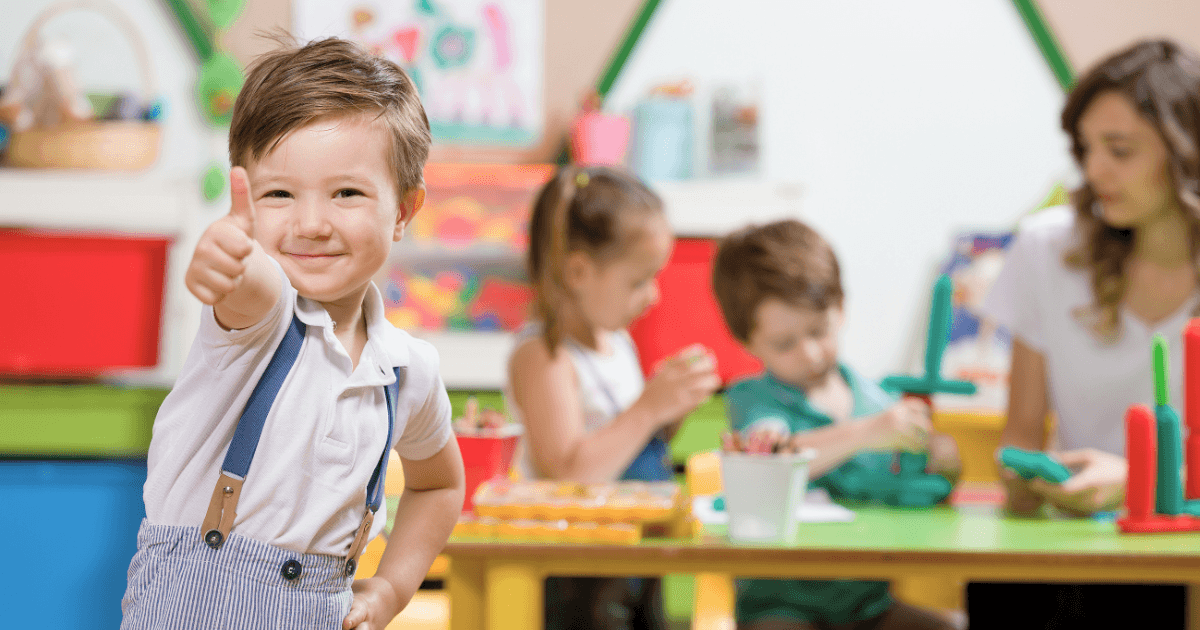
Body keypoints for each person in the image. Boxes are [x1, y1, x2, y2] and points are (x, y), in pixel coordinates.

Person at [120, 38, 464, 630]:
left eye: (347, 193)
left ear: (404, 211)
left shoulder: (409, 371)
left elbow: (439, 485)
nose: (310, 224)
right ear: (247, 202)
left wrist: (392, 589)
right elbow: (249, 283)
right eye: (278, 194)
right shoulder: (259, 321)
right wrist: (224, 257)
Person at [967, 39, 1200, 628]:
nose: (1095, 170)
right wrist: (1027, 477)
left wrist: (1141, 483)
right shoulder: (1047, 250)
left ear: (1187, 150)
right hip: (1086, 553)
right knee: (1003, 594)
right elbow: (1018, 438)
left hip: (1186, 553)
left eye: (1119, 149)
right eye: (1086, 148)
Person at [712, 219, 960, 630]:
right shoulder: (755, 401)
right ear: (747, 343)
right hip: (781, 607)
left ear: (840, 309)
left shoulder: (877, 401)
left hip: (868, 606)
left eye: (818, 331)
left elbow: (921, 494)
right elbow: (765, 461)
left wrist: (945, 463)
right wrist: (865, 434)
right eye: (785, 343)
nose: (809, 353)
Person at [505, 165, 722, 629]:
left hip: (635, 547)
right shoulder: (544, 355)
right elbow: (569, 473)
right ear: (578, 271)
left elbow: (627, 445)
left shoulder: (616, 344)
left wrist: (668, 413)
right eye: (638, 280)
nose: (654, 296)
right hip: (577, 568)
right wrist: (647, 409)